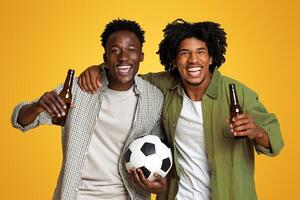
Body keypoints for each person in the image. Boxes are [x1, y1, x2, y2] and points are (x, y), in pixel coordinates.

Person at [78, 19, 284, 200]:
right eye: (185, 53)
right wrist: (99, 69)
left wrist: (256, 131)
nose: (193, 60)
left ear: (211, 58)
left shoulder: (238, 93)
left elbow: (274, 139)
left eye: (200, 52)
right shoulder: (163, 87)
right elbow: (125, 74)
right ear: (175, 61)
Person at [11, 19, 167, 200]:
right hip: (76, 195)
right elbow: (19, 120)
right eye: (115, 51)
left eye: (131, 50)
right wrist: (37, 106)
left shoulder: (153, 97)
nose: (123, 57)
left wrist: (156, 183)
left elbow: (157, 152)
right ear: (105, 58)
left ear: (141, 56)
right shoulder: (79, 89)